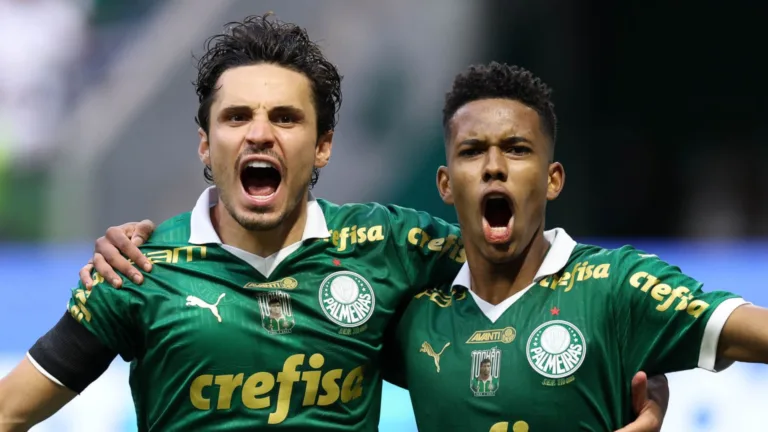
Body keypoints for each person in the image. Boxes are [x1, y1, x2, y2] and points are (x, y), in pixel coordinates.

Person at [0, 15, 667, 432]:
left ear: (322, 146)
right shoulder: (140, 269)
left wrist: (646, 390)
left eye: (286, 118)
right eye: (237, 117)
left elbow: (552, 287)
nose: (260, 134)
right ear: (206, 143)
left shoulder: (388, 246)